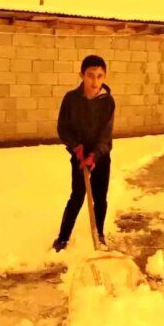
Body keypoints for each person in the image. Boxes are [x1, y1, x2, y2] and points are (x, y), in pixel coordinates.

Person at [52, 55, 115, 252]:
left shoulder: (108, 102)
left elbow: (106, 133)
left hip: (101, 157)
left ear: (104, 77)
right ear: (82, 75)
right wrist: (76, 147)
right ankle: (63, 238)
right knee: (77, 196)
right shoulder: (71, 99)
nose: (95, 81)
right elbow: (63, 127)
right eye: (90, 75)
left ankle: (99, 235)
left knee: (100, 197)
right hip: (79, 154)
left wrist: (95, 156)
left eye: (99, 76)